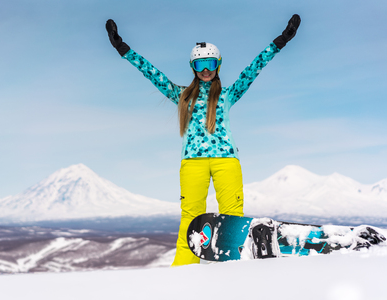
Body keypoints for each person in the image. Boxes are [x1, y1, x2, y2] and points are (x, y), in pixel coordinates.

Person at [105, 15, 301, 266]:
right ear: (193, 68)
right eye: (200, 65)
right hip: (192, 163)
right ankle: (184, 269)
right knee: (191, 219)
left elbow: (254, 68)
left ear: (218, 65)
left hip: (227, 161)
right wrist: (124, 49)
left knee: (232, 217)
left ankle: (234, 267)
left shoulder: (228, 94)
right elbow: (151, 72)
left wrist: (280, 41)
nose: (205, 70)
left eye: (209, 63)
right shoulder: (182, 96)